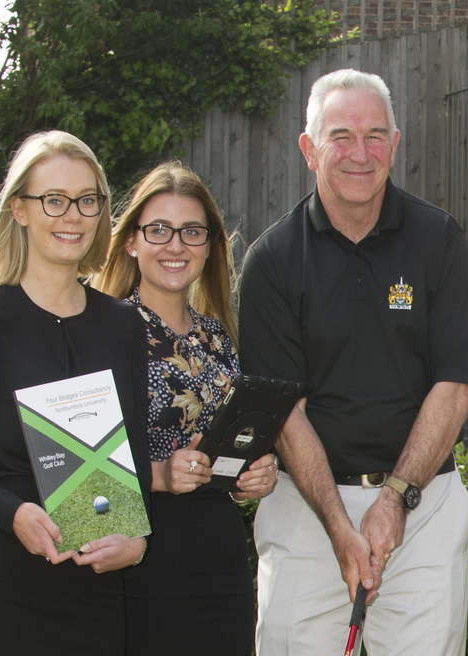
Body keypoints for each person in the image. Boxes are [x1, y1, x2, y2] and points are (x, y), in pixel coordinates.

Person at [237, 68, 468, 656]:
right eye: (340, 136)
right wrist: (339, 526)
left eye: (375, 136)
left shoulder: (438, 240)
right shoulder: (271, 261)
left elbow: (456, 385)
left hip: (421, 505)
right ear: (309, 149)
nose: (359, 153)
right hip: (305, 509)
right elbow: (284, 412)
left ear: (395, 145)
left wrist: (395, 498)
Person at [0, 130, 150, 655]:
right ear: (20, 211)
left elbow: (136, 464)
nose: (71, 215)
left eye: (86, 200)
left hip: (99, 589)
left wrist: (138, 543)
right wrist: (11, 513)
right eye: (54, 200)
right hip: (8, 583)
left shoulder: (123, 325)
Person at [93, 161, 279, 654]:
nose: (175, 245)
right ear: (131, 240)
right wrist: (158, 473)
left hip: (218, 551)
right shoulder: (102, 331)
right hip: (138, 552)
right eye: (159, 229)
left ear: (210, 245)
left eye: (191, 232)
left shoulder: (220, 338)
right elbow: (71, 462)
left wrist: (252, 478)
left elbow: (227, 447)